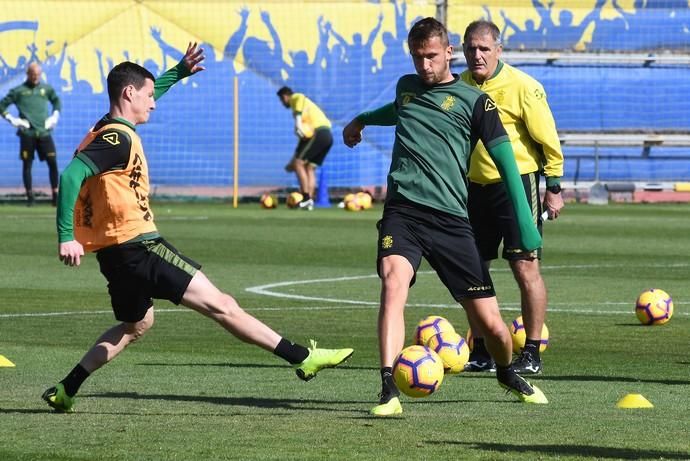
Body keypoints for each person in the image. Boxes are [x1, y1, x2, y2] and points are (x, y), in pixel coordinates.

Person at [42, 43, 353, 413]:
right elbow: (71, 174)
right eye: (146, 95)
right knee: (222, 305)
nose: (152, 103)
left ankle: (66, 388)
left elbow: (147, 94)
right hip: (141, 246)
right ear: (128, 94)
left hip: (115, 254)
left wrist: (178, 72)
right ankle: (303, 358)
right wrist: (65, 236)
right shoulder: (118, 139)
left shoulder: (104, 129)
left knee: (136, 324)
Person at [342, 17, 548, 417]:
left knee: (490, 324)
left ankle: (506, 371)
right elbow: (398, 109)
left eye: (431, 57)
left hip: (452, 219)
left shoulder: (475, 102)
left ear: (448, 51)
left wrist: (525, 220)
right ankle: (387, 388)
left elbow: (506, 159)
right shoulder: (407, 88)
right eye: (417, 57)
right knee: (392, 281)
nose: (424, 66)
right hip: (403, 211)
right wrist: (362, 119)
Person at [460, 20, 564, 375]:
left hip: (516, 186)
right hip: (474, 189)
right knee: (474, 270)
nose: (477, 55)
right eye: (471, 48)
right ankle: (483, 348)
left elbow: (547, 138)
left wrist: (554, 188)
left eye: (484, 48)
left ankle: (531, 351)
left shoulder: (523, 86)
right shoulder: (459, 86)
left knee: (524, 266)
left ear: (498, 51)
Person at [0, 62, 61, 206]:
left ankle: (55, 195)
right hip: (27, 133)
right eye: (33, 74)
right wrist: (13, 120)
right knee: (27, 164)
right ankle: (30, 197)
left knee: (52, 162)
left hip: (44, 132)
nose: (36, 77)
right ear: (28, 74)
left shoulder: (46, 89)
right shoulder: (18, 91)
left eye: (38, 74)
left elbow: (56, 101)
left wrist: (55, 116)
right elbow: (1, 106)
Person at [277, 86, 333, 210]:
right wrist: (292, 161)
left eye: (281, 100)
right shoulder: (306, 115)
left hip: (318, 133)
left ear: (285, 96)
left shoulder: (296, 98)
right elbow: (302, 143)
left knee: (298, 164)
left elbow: (300, 97)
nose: (282, 103)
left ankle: (306, 197)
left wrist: (297, 123)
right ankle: (309, 201)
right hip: (328, 136)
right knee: (309, 168)